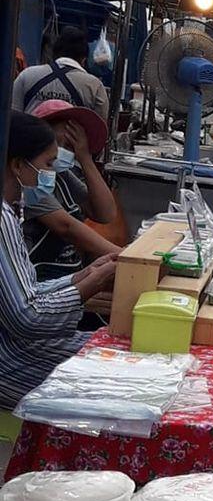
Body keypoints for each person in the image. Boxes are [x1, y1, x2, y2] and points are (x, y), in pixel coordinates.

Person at [0, 112, 116, 409]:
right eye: (48, 164)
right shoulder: (3, 218)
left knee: (111, 355)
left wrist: (84, 275)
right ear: (16, 165)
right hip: (8, 359)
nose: (53, 170)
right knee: (112, 382)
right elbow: (27, 318)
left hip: (16, 343)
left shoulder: (15, 208)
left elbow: (28, 294)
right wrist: (91, 284)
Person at [23, 100, 120, 282]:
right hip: (37, 278)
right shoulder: (31, 180)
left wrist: (85, 158)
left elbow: (106, 213)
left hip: (65, 275)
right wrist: (125, 255)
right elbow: (66, 226)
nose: (61, 152)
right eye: (60, 143)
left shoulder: (63, 176)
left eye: (70, 147)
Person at [13, 27, 109, 117]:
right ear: (84, 60)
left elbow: (11, 116)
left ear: (54, 53)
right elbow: (99, 130)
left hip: (29, 134)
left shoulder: (27, 75)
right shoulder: (95, 87)